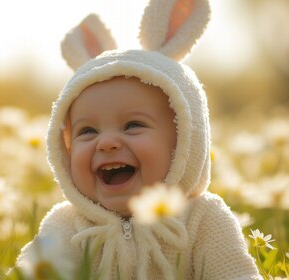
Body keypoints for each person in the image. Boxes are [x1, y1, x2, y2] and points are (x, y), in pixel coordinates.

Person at [16, 0, 262, 279]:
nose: (106, 143)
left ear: (185, 141)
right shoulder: (66, 225)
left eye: (133, 125)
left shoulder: (204, 219)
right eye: (87, 131)